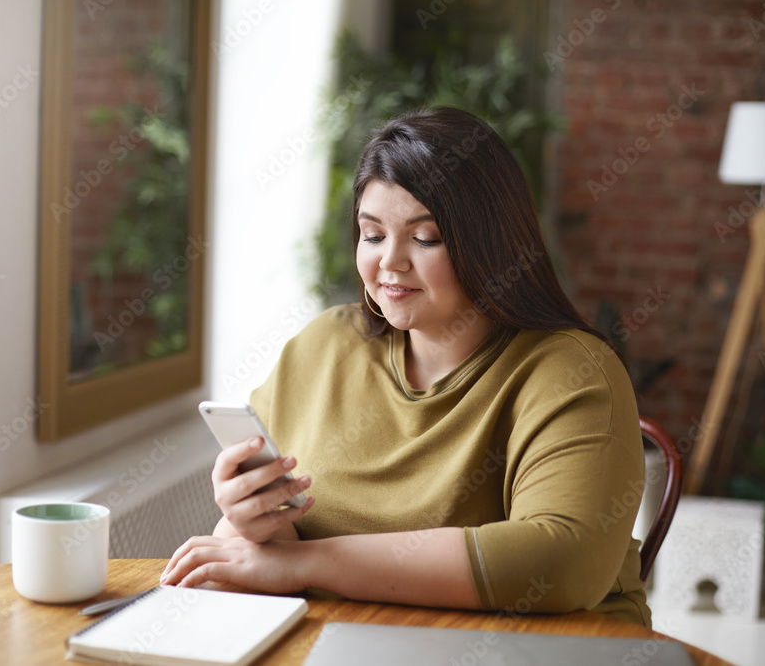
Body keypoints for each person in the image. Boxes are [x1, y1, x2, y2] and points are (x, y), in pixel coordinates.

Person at [161, 106, 649, 627]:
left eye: (424, 238)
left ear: (490, 243)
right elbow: (260, 557)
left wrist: (304, 563)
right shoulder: (324, 346)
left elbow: (560, 561)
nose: (390, 261)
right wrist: (252, 522)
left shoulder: (571, 372)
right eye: (372, 235)